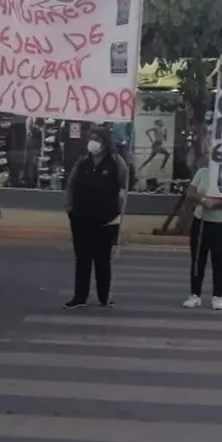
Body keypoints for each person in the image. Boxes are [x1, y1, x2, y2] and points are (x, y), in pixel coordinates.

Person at [63, 126, 128, 309]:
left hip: (106, 219)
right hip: (81, 218)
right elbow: (71, 185)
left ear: (105, 143)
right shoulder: (82, 162)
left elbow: (125, 185)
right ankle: (79, 296)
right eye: (91, 138)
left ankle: (104, 296)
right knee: (82, 259)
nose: (93, 142)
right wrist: (69, 209)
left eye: (97, 139)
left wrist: (119, 212)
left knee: (102, 260)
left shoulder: (116, 163)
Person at [183, 163, 222, 311]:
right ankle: (195, 295)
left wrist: (215, 204)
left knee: (219, 260)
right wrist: (202, 200)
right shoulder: (202, 172)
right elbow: (190, 193)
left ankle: (217, 296)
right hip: (201, 221)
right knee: (197, 260)